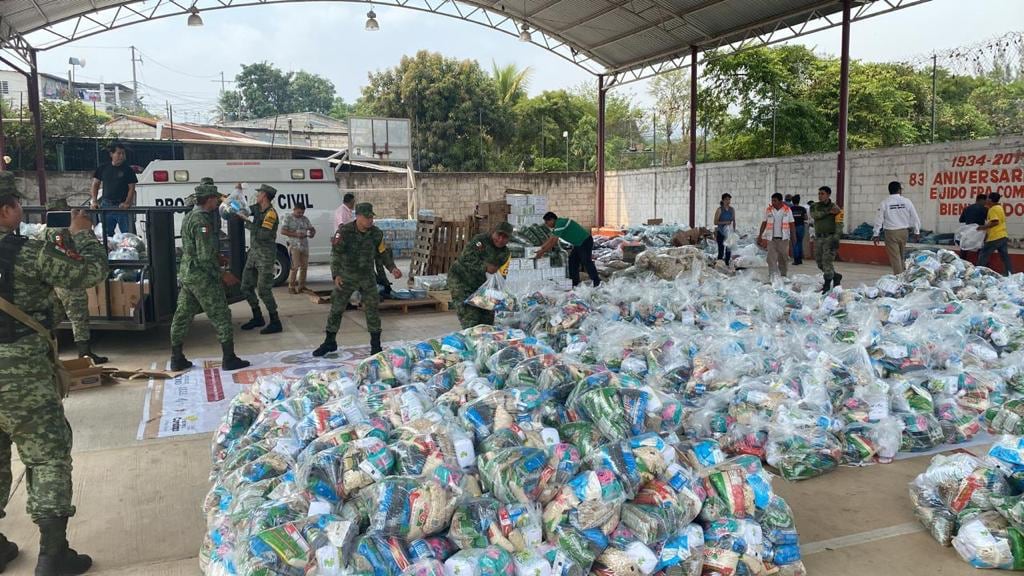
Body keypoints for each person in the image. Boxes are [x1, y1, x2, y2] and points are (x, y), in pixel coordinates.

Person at [0, 171, 107, 575]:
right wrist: (82, 233)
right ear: (8, 209)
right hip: (20, 372)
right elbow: (89, 274)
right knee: (46, 456)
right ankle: (53, 553)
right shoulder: (26, 252)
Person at [169, 179, 251, 372]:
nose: (217, 203)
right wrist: (223, 274)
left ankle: (176, 357)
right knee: (221, 314)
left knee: (182, 315)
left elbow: (196, 248)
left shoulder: (190, 216)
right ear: (209, 200)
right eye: (215, 198)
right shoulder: (202, 221)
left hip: (188, 274)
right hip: (202, 276)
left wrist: (218, 255)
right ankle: (229, 358)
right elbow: (205, 257)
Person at [313, 203, 402, 357]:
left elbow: (383, 254)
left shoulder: (376, 234)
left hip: (367, 277)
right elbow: (336, 255)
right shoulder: (344, 232)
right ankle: (330, 342)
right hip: (346, 277)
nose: (370, 221)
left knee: (372, 309)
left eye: (371, 217)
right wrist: (336, 275)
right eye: (367, 217)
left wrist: (392, 268)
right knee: (336, 308)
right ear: (358, 216)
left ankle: (376, 345)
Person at [45, 199, 107, 365]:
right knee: (79, 316)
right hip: (68, 280)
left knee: (55, 316)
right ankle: (84, 353)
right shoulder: (58, 232)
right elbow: (65, 253)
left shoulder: (51, 229)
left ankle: (49, 351)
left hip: (57, 280)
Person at [448, 223, 513, 329]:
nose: (500, 240)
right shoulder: (480, 241)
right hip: (461, 280)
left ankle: (484, 344)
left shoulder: (505, 253)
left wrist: (499, 295)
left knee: (487, 320)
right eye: (499, 235)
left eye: (505, 237)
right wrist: (485, 267)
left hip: (482, 286)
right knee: (471, 318)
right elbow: (466, 258)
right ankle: (471, 341)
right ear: (493, 232)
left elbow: (500, 275)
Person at [238, 184, 282, 335]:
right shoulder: (257, 208)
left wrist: (247, 222)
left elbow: (264, 235)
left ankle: (275, 321)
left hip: (265, 256)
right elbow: (244, 209)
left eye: (259, 194)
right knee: (245, 287)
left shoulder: (271, 214)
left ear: (264, 196)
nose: (256, 196)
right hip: (254, 255)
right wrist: (231, 199)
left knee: (263, 290)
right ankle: (257, 317)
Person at [536, 212, 600, 287]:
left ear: (552, 220)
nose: (547, 225)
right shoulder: (557, 226)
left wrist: (542, 252)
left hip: (584, 241)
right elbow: (550, 239)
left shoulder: (560, 223)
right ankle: (575, 283)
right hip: (578, 244)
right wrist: (540, 248)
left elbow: (554, 242)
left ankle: (597, 282)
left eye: (547, 222)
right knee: (572, 261)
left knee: (586, 261)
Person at [872, 181, 921, 275]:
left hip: (891, 233)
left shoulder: (885, 203)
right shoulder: (907, 201)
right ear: (899, 190)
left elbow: (879, 219)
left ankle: (899, 278)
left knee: (895, 257)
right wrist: (917, 231)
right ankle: (904, 275)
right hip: (904, 232)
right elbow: (915, 217)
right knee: (902, 256)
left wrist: (876, 233)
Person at [90, 142, 137, 237]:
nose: (121, 156)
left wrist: (127, 203)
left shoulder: (128, 170)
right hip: (107, 205)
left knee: (128, 235)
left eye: (123, 153)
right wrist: (94, 201)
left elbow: (131, 188)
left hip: (122, 207)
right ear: (112, 154)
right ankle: (108, 251)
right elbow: (95, 185)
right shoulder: (103, 168)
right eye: (119, 153)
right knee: (105, 235)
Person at [809, 186, 843, 293]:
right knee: (819, 262)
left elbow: (839, 224)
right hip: (819, 237)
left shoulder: (836, 208)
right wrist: (829, 212)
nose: (820, 196)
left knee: (827, 262)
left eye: (822, 194)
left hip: (830, 237)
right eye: (819, 193)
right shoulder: (815, 206)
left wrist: (837, 238)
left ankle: (827, 285)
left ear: (828, 195)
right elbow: (815, 216)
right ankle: (836, 276)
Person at [757, 193, 795, 280]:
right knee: (771, 259)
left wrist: (793, 238)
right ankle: (772, 276)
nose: (773, 202)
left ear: (780, 201)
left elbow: (792, 224)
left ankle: (783, 275)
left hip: (783, 239)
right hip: (771, 239)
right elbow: (764, 223)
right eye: (772, 200)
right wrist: (760, 235)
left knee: (783, 258)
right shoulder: (769, 210)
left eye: (775, 200)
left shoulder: (787, 210)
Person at [282, 201, 315, 294]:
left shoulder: (305, 219)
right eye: (299, 212)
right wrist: (295, 234)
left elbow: (311, 228)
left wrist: (312, 233)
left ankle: (302, 286)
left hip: (304, 245)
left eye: (302, 212)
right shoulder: (288, 218)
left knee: (304, 267)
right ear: (294, 210)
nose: (300, 214)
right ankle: (291, 286)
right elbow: (283, 231)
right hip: (294, 245)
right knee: (295, 267)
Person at [977, 192, 1014, 276]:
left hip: (995, 237)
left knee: (983, 255)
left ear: (990, 200)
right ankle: (1009, 273)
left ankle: (977, 274)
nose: (986, 200)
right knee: (1004, 257)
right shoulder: (999, 208)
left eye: (987, 199)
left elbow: (995, 222)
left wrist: (982, 227)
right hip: (1003, 235)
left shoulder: (993, 209)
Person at [958, 194, 989, 261]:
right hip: (979, 232)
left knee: (964, 249)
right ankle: (981, 266)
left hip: (968, 231)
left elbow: (961, 220)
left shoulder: (967, 208)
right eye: (985, 201)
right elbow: (989, 220)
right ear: (981, 200)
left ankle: (961, 264)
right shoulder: (985, 209)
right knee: (980, 249)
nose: (986, 202)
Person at [713, 193, 736, 265]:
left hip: (729, 233)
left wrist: (734, 231)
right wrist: (725, 222)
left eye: (729, 199)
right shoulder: (719, 210)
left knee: (728, 250)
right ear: (722, 200)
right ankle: (719, 265)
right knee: (721, 250)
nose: (728, 201)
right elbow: (715, 222)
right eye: (726, 199)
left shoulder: (732, 209)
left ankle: (727, 264)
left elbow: (733, 221)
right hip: (721, 232)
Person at [790, 194, 808, 265]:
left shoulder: (790, 209)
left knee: (795, 243)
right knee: (800, 243)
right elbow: (806, 218)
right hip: (801, 226)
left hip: (793, 227)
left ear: (792, 201)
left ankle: (796, 260)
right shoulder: (802, 209)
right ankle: (800, 259)